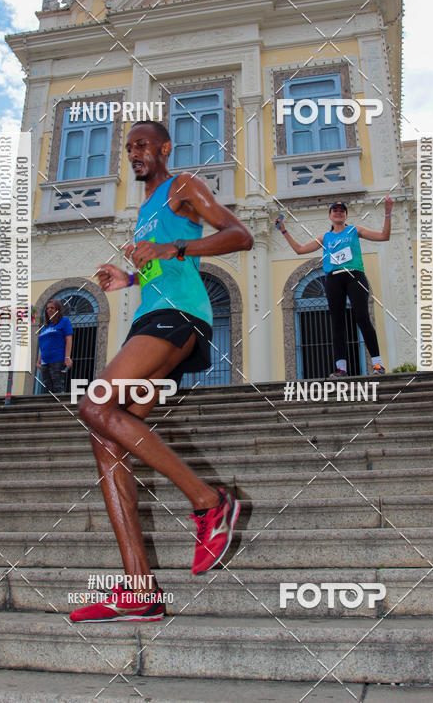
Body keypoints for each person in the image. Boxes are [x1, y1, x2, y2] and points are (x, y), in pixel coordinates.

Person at [69, 120, 253, 623]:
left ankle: (208, 500)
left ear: (165, 148)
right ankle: (139, 590)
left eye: (143, 145)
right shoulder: (146, 211)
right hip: (151, 316)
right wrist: (129, 275)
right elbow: (160, 265)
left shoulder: (184, 186)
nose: (135, 154)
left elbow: (241, 236)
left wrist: (174, 249)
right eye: (130, 148)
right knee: (105, 435)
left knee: (93, 404)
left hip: (179, 316)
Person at [275, 198, 393, 378]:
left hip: (354, 275)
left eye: (342, 210)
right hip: (334, 279)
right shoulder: (325, 237)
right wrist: (283, 230)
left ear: (346, 215)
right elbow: (300, 249)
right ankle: (341, 369)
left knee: (362, 317)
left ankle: (377, 365)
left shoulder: (355, 230)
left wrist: (387, 212)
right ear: (330, 215)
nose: (338, 212)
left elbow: (384, 235)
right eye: (335, 210)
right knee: (337, 323)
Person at [36, 299, 73, 393]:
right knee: (48, 388)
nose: (49, 310)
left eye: (52, 308)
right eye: (48, 308)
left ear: (58, 309)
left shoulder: (64, 321)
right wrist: (38, 361)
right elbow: (42, 345)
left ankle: (59, 407)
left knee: (57, 386)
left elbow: (68, 339)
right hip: (45, 362)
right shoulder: (45, 327)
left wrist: (67, 357)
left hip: (57, 359)